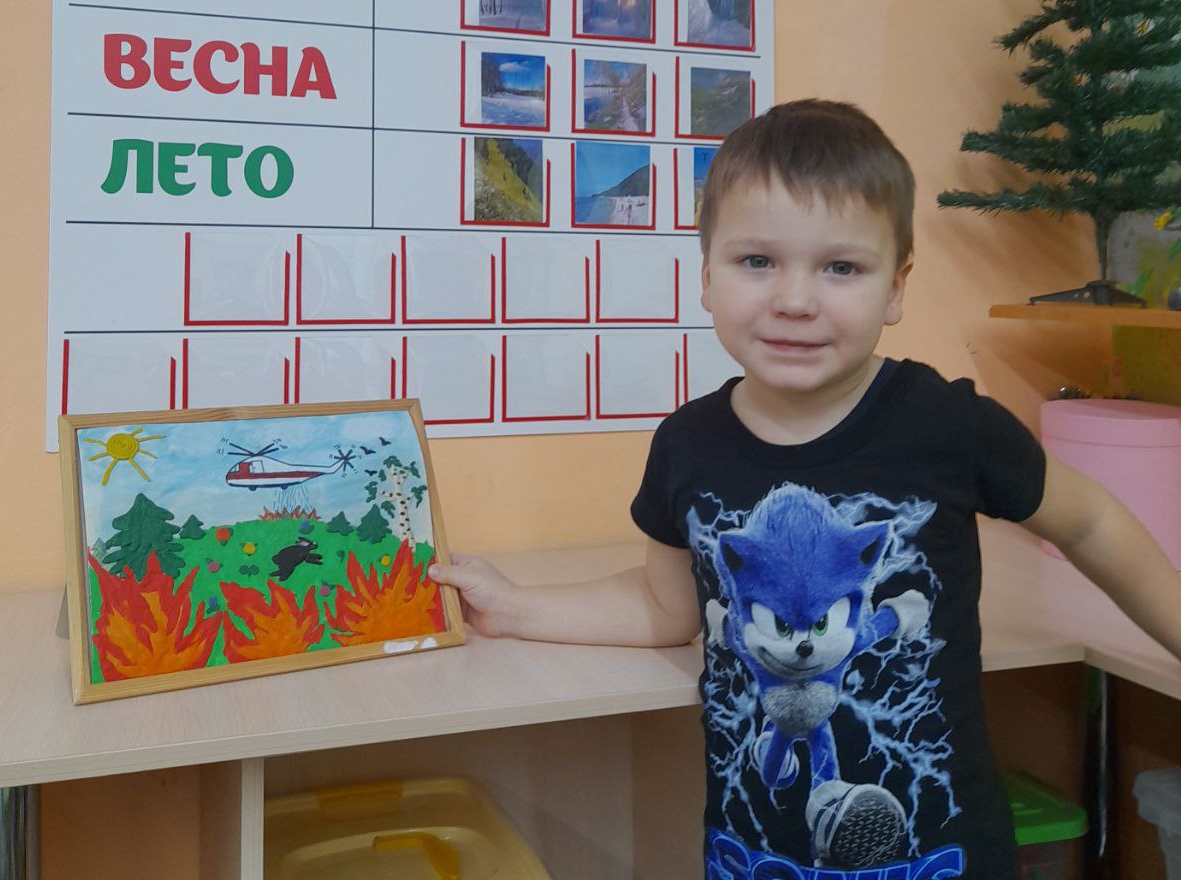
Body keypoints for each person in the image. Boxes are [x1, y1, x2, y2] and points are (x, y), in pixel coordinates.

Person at [430, 98, 1181, 879]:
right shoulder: (687, 445)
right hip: (756, 860)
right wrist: (515, 607)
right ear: (707, 276)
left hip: (943, 861)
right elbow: (664, 605)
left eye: (841, 268)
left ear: (897, 287)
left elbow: (1090, 522)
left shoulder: (949, 426)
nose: (794, 300)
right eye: (757, 261)